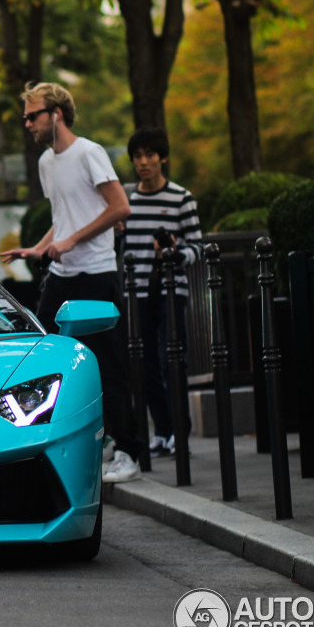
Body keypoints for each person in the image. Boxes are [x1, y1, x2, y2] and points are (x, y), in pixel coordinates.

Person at [1, 81, 143, 483]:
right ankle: (65, 441)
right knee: (44, 353)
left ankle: (129, 451)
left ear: (56, 114)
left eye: (33, 115)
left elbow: (120, 207)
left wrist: (72, 241)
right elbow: (63, 217)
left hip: (97, 273)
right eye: (26, 117)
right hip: (62, 275)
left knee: (107, 363)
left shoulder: (89, 153)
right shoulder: (47, 162)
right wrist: (39, 247)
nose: (27, 123)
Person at [121, 128, 202, 458]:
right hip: (136, 291)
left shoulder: (182, 199)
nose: (143, 162)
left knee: (173, 361)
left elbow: (198, 246)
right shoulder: (127, 201)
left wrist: (175, 257)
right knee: (144, 365)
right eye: (137, 156)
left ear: (162, 158)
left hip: (172, 288)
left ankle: (179, 433)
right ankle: (163, 430)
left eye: (149, 155)